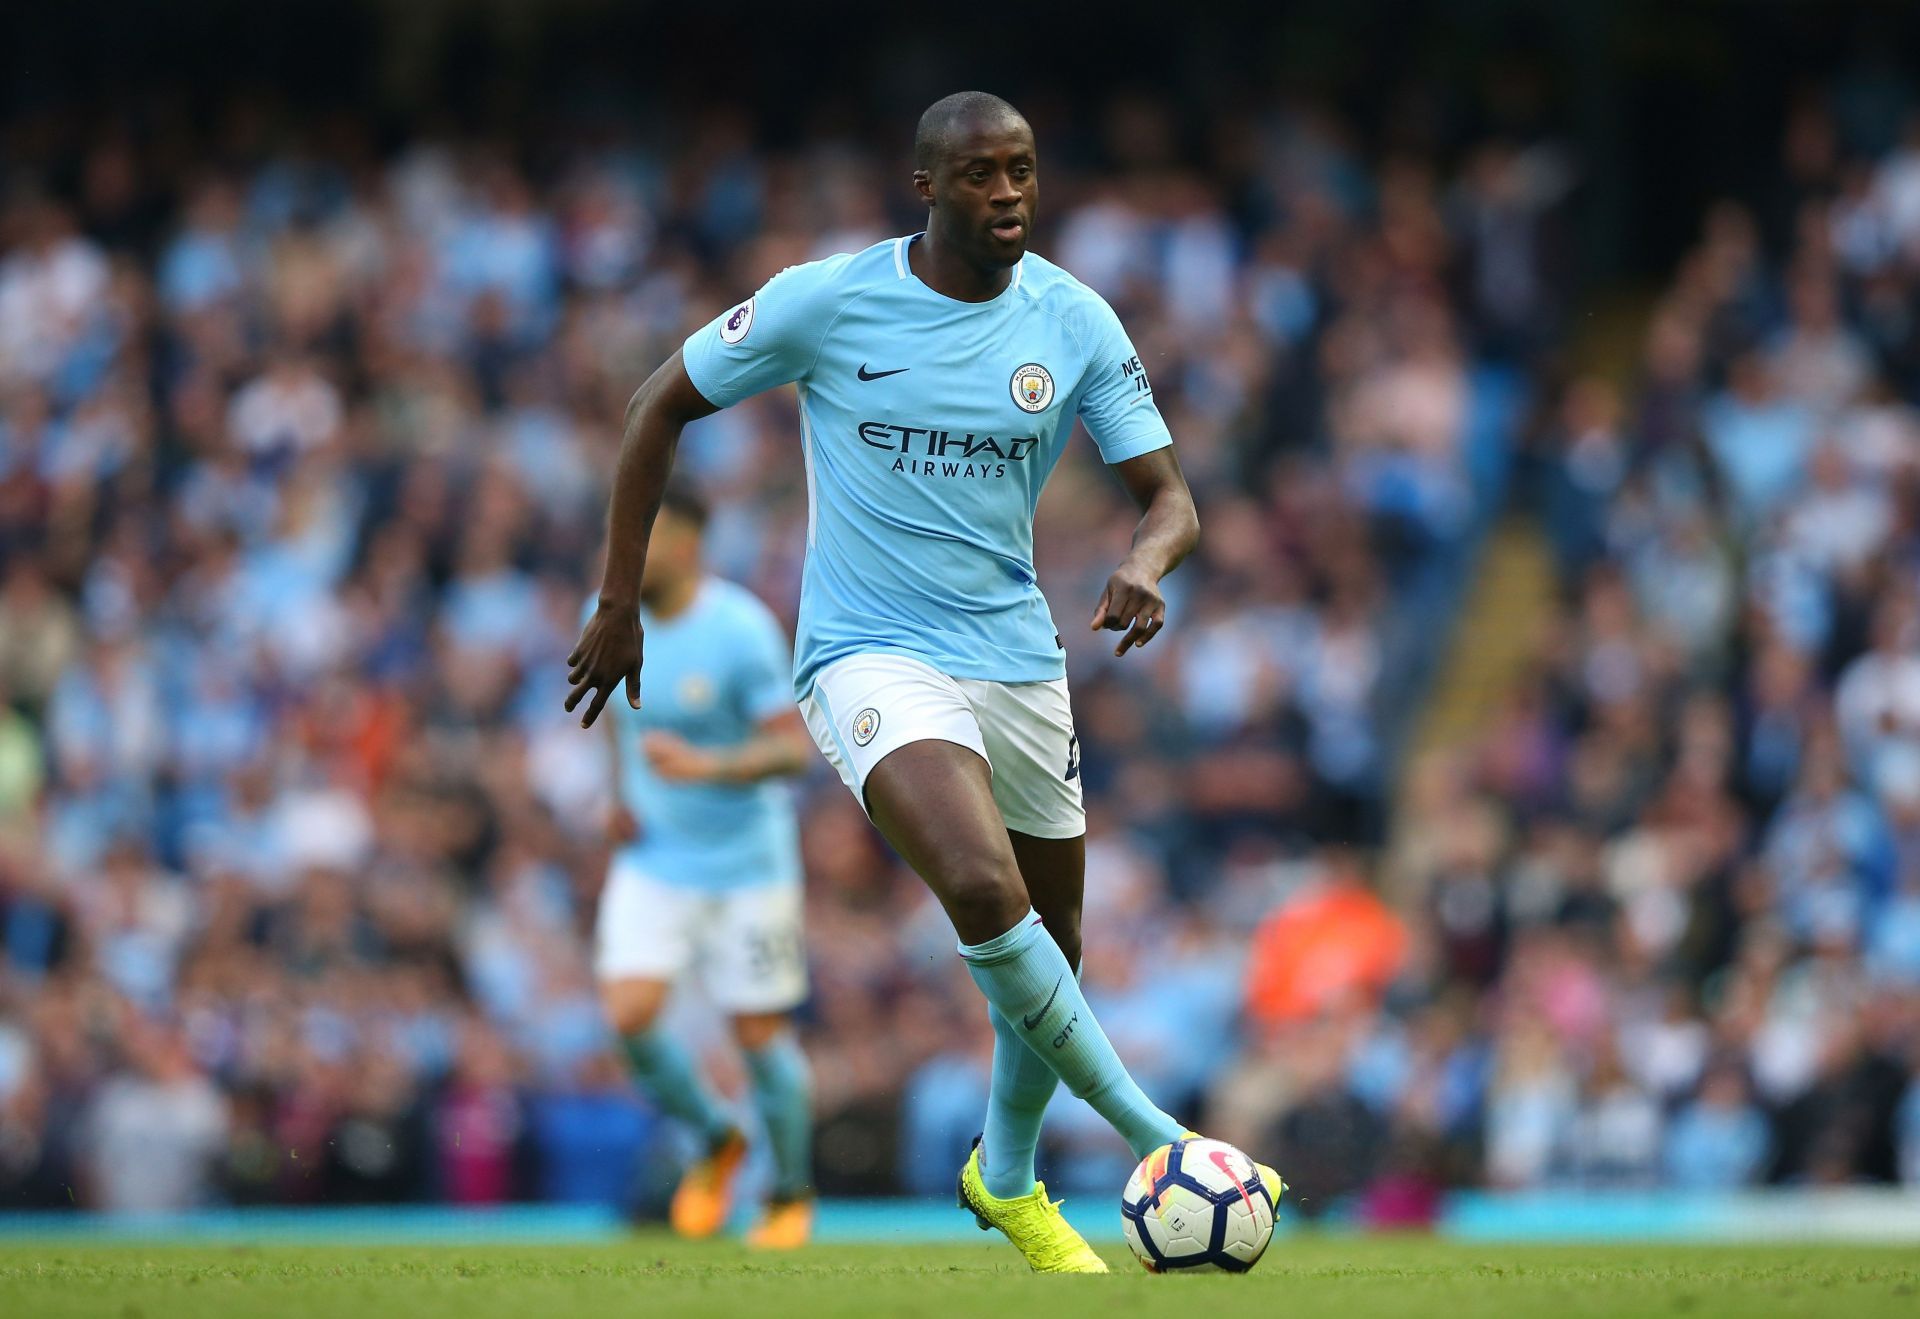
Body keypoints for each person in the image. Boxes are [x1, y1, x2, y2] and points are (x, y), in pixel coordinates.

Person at [568, 90, 1279, 1272]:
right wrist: (617, 598)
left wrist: (1145, 563)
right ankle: (1165, 1140)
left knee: (1054, 934)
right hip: (866, 652)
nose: (1008, 193)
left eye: (1023, 171)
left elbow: (1173, 497)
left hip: (1016, 658)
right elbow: (658, 405)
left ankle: (1005, 1177)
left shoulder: (1074, 320)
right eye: (982, 174)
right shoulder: (829, 301)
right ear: (928, 188)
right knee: (979, 883)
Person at [589, 481, 817, 1247]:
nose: (623, 554)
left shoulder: (740, 629)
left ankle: (788, 1191)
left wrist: (704, 767)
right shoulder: (610, 618)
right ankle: (718, 1137)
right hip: (655, 856)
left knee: (757, 1033)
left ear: (686, 544)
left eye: (641, 539)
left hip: (749, 863)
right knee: (628, 1013)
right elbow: (615, 718)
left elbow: (792, 749)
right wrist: (620, 796)